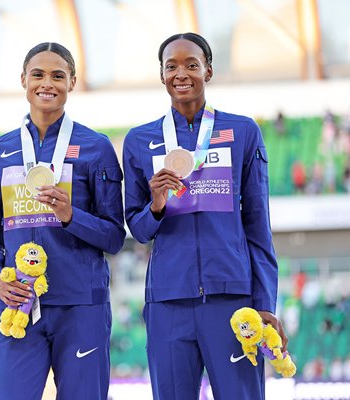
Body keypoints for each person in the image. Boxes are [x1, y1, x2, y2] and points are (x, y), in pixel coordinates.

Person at [122, 32, 288, 399]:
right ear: (161, 75)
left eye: (191, 65)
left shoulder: (242, 131)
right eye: (171, 66)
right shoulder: (139, 140)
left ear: (208, 71)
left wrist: (264, 304)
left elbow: (258, 226)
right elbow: (138, 228)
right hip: (168, 302)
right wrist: (157, 204)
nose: (181, 74)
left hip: (232, 302)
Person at [0, 42, 125, 400]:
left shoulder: (95, 147)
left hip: (80, 307)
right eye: (38, 74)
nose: (48, 83)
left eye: (58, 75)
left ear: (72, 81)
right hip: (18, 305)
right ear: (24, 80)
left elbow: (114, 237)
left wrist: (71, 216)